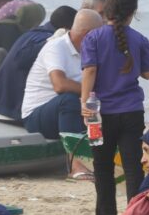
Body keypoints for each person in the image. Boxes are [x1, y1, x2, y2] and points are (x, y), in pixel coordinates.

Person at [80, 0, 149, 215]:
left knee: (102, 168)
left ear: (108, 9)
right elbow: (148, 73)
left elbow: (90, 71)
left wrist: (84, 103)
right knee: (134, 168)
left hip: (99, 114)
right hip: (132, 111)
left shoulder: (93, 38)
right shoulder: (141, 39)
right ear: (133, 12)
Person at [0, 5, 77, 121]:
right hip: (12, 112)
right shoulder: (50, 41)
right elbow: (21, 60)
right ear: (68, 28)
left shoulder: (32, 34)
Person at [22, 9, 103, 140]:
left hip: (70, 111)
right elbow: (60, 85)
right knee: (69, 100)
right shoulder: (56, 47)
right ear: (88, 34)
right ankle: (75, 156)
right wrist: (91, 90)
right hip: (37, 115)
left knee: (98, 100)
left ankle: (96, 142)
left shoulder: (91, 51)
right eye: (100, 35)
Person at [0, 2, 45, 80]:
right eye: (37, 22)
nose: (37, 25)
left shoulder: (22, 28)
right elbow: (12, 56)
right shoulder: (9, 27)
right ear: (31, 19)